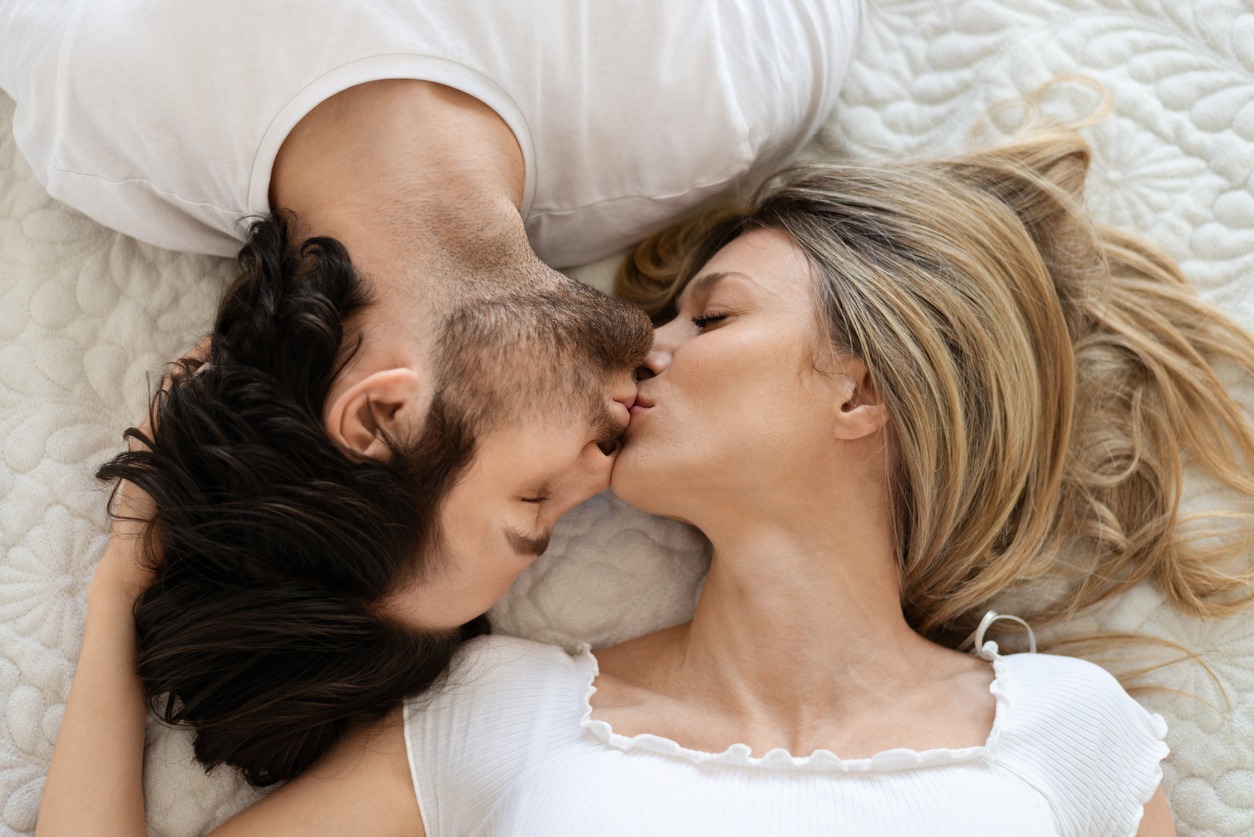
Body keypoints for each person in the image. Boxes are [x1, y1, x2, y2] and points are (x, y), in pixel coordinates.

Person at [39, 108, 1254, 834]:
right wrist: (117, 592)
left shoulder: (1070, 737)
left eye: (709, 318)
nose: (643, 346)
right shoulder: (507, 714)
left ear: (863, 389)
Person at [0, 0, 864, 786]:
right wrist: (119, 579)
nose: (604, 476)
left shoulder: (100, 117)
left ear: (380, 411)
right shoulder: (721, 94)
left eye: (532, 500)